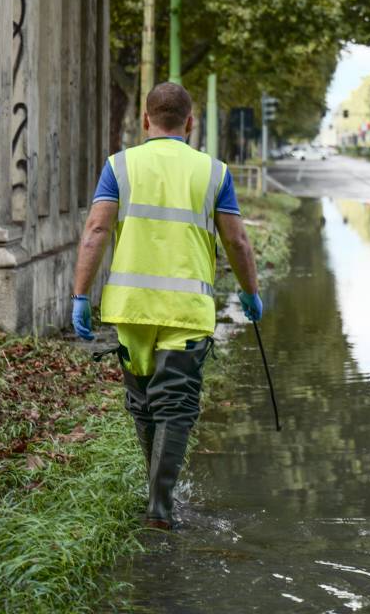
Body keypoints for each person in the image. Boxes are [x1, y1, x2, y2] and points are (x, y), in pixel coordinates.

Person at [70, 83, 263, 530]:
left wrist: (81, 294)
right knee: (175, 403)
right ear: (190, 122)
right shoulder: (213, 172)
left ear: (144, 119)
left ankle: (157, 492)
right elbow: (235, 238)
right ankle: (160, 505)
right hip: (186, 310)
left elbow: (97, 230)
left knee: (143, 403)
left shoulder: (120, 166)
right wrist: (249, 290)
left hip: (132, 309)